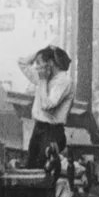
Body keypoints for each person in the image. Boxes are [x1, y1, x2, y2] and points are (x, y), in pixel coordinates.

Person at [17, 45, 73, 173]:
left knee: (43, 172)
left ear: (50, 64)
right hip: (39, 128)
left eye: (39, 63)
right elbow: (22, 63)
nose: (36, 67)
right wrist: (40, 50)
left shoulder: (64, 81)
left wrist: (42, 80)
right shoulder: (47, 76)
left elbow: (47, 106)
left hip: (52, 132)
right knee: (30, 166)